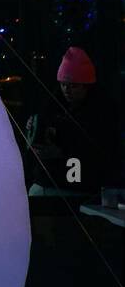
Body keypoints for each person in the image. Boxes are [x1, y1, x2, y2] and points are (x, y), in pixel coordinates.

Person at [26, 47, 115, 195]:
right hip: (50, 180)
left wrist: (61, 153)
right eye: (63, 84)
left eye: (73, 86)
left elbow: (99, 157)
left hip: (82, 185)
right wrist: (34, 125)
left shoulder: (101, 113)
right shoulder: (54, 103)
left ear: (86, 86)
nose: (67, 90)